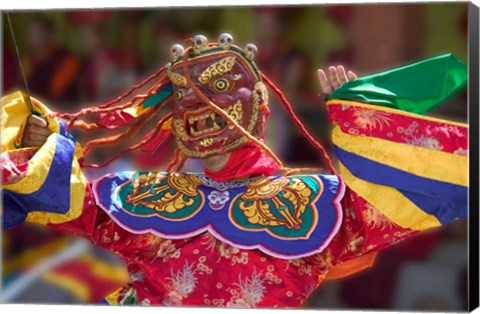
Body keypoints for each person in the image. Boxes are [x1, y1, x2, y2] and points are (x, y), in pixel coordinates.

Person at [1, 34, 468, 308]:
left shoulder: (320, 198)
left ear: (260, 107)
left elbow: (397, 202)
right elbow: (60, 199)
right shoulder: (141, 192)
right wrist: (44, 146)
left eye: (222, 85)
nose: (198, 102)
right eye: (184, 93)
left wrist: (360, 118)